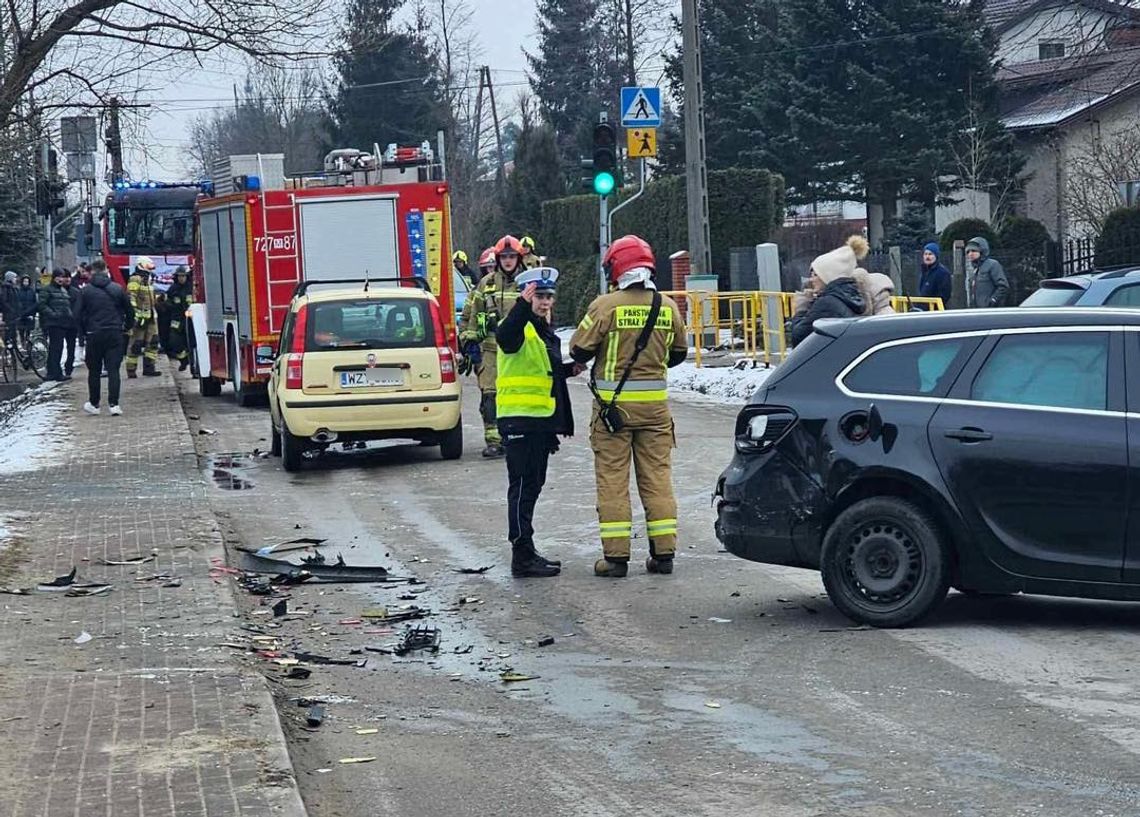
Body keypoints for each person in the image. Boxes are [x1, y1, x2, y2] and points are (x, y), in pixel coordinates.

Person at [569, 234, 688, 578]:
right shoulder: (666, 306)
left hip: (613, 413)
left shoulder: (605, 306)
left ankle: (616, 558)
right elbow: (678, 353)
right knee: (658, 478)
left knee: (612, 480)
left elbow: (578, 350)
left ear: (616, 268)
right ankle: (664, 554)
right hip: (656, 412)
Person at [496, 267, 578, 579]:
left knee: (532, 486)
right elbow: (505, 338)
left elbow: (543, 371)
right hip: (520, 421)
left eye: (548, 297)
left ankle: (527, 551)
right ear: (527, 296)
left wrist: (570, 370)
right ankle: (521, 555)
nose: (545, 303)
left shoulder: (543, 331)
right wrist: (521, 304)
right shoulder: (518, 326)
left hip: (539, 423)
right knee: (521, 488)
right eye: (539, 296)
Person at [458, 235, 524, 458]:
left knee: (515, 395)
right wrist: (469, 343)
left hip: (519, 352)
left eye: (511, 256)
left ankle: (515, 437)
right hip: (490, 350)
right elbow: (472, 316)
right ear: (498, 259)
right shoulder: (486, 284)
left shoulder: (526, 283)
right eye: (504, 257)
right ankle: (494, 441)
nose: (507, 260)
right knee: (490, 396)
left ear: (519, 258)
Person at [787, 235, 869, 347]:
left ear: (828, 276)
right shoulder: (850, 298)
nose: (811, 279)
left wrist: (802, 307)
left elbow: (798, 337)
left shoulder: (827, 303)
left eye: (815, 274)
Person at [74, 260, 130, 416]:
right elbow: (130, 311)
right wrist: (126, 327)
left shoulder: (85, 291)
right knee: (113, 370)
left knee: (94, 370)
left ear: (92, 272)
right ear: (106, 270)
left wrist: (85, 331)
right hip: (114, 333)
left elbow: (77, 315)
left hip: (94, 334)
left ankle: (94, 403)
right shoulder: (118, 289)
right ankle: (114, 404)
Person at [37, 268, 75, 381]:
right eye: (58, 276)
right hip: (54, 323)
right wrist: (53, 314)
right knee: (56, 348)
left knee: (57, 348)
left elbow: (66, 305)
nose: (61, 279)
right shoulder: (47, 289)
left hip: (64, 323)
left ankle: (53, 372)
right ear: (54, 277)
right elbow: (42, 305)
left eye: (62, 277)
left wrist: (69, 314)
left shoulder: (63, 290)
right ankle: (55, 373)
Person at [126, 256, 161, 378]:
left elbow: (148, 299)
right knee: (136, 344)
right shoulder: (135, 279)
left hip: (151, 317)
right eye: (148, 267)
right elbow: (131, 298)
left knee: (153, 343)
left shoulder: (149, 279)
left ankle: (149, 368)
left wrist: (158, 300)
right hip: (140, 319)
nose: (150, 270)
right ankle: (131, 370)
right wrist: (135, 316)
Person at [965, 237, 1009, 308]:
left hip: (990, 311)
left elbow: (1003, 286)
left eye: (974, 250)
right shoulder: (973, 269)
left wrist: (993, 300)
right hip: (977, 311)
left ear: (982, 251)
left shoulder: (992, 265)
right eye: (968, 252)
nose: (970, 254)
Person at [164, 266, 192, 371]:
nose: (181, 278)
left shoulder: (191, 288)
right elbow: (167, 303)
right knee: (174, 341)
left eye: (183, 276)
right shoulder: (172, 289)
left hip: (190, 320)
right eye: (179, 276)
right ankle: (183, 360)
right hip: (177, 319)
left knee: (192, 343)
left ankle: (194, 367)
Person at [917, 242, 952, 309]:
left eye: (930, 254)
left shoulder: (943, 273)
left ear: (936, 256)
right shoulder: (924, 272)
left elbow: (944, 296)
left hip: (936, 312)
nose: (927, 257)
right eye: (925, 254)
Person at [15, 274, 36, 346]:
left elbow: (35, 303)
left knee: (28, 333)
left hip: (29, 315)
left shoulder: (32, 291)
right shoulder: (18, 291)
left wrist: (32, 314)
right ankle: (22, 345)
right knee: (21, 332)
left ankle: (27, 346)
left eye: (27, 281)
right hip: (21, 315)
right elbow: (17, 303)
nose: (26, 283)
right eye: (24, 281)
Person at [1, 271, 18, 352]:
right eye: (14, 277)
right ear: (10, 278)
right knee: (9, 332)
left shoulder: (13, 288)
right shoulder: (5, 288)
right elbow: (4, 301)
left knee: (13, 332)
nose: (16, 279)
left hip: (13, 314)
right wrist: (11, 309)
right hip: (9, 315)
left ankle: (13, 349)